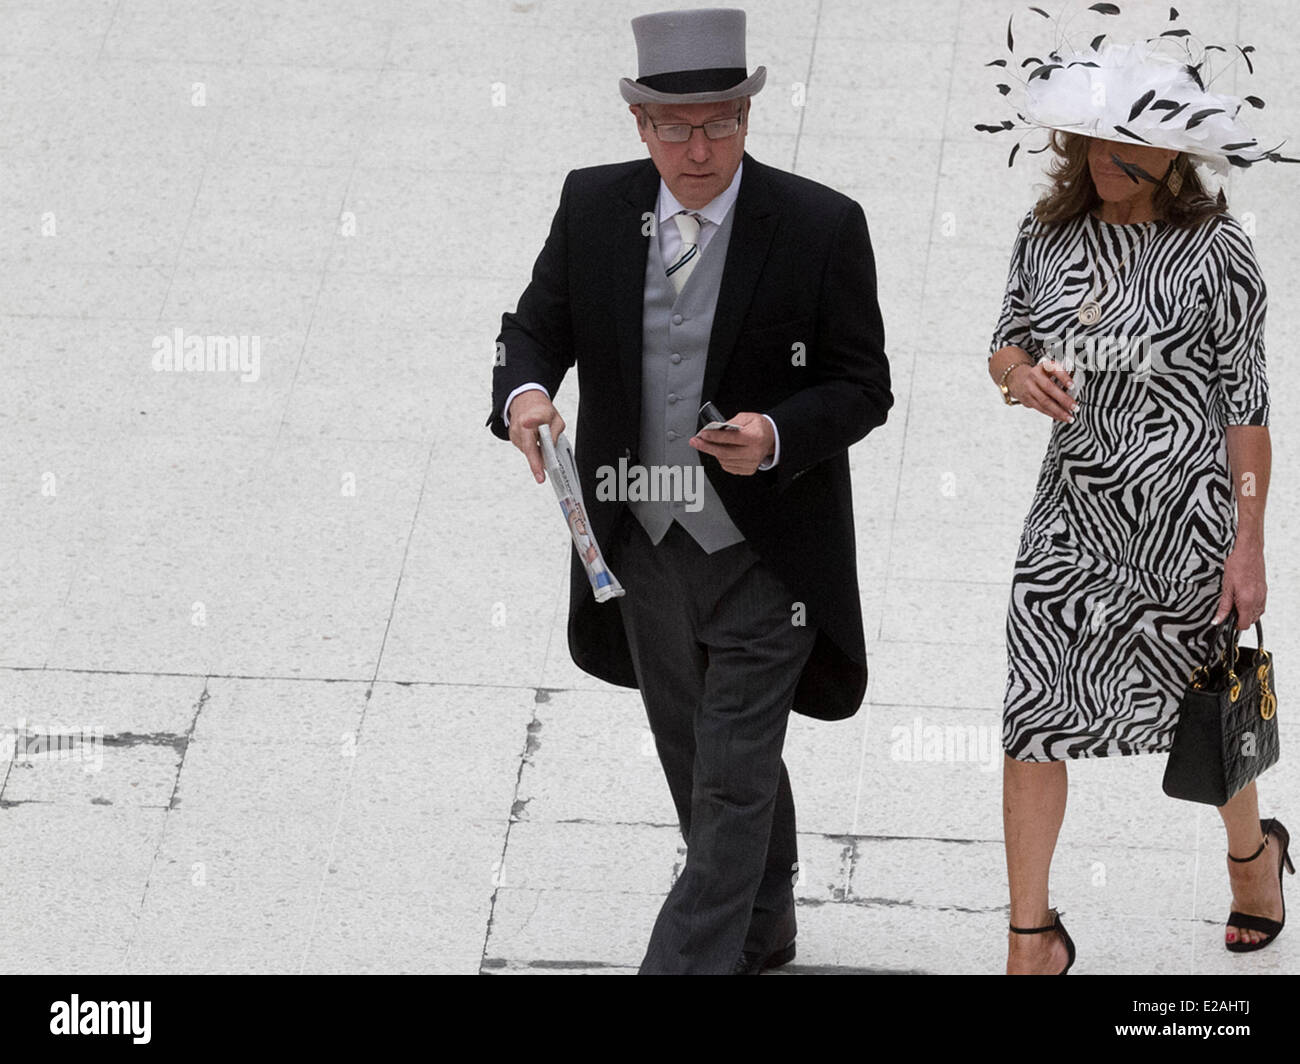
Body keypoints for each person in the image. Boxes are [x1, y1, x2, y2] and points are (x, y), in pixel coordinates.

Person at [485, 7, 891, 974]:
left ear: (749, 118)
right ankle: (766, 921)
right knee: (699, 762)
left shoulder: (821, 225)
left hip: (768, 557)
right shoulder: (591, 207)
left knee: (732, 783)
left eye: (721, 122)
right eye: (676, 126)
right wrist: (528, 395)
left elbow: (862, 384)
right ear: (640, 125)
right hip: (641, 545)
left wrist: (776, 433)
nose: (699, 146)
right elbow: (532, 328)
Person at [978, 26, 1293, 974]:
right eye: (1096, 140)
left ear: (1173, 151)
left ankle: (1253, 858)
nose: (1110, 160)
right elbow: (1005, 341)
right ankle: (1031, 936)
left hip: (1185, 524)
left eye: (1133, 142)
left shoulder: (1219, 254)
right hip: (1070, 521)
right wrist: (1018, 376)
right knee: (1033, 710)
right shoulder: (1047, 234)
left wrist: (1250, 544)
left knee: (1205, 708)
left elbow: (1247, 412)